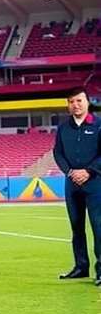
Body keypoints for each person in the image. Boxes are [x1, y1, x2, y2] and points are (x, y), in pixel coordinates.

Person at [53, 87, 101, 286]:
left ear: (87, 102)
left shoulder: (99, 125)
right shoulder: (64, 128)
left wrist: (88, 171)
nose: (76, 105)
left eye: (79, 100)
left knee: (98, 226)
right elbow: (58, 153)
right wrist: (70, 172)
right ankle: (81, 267)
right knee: (76, 226)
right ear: (68, 105)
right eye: (71, 101)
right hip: (72, 184)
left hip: (95, 182)